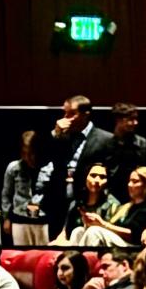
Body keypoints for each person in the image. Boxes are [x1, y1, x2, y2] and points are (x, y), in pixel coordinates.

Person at [42, 95, 116, 225]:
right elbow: (43, 158)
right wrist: (55, 134)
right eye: (65, 112)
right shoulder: (61, 135)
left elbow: (111, 173)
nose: (65, 118)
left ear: (85, 114)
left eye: (71, 114)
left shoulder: (106, 139)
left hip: (87, 199)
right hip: (58, 196)